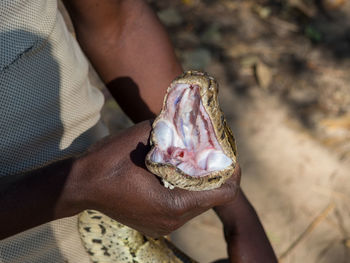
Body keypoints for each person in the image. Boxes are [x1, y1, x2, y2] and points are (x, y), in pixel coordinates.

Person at [0, 0, 277, 262]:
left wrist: (240, 218)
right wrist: (77, 185)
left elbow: (119, 23)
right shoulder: (88, 182)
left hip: (104, 195)